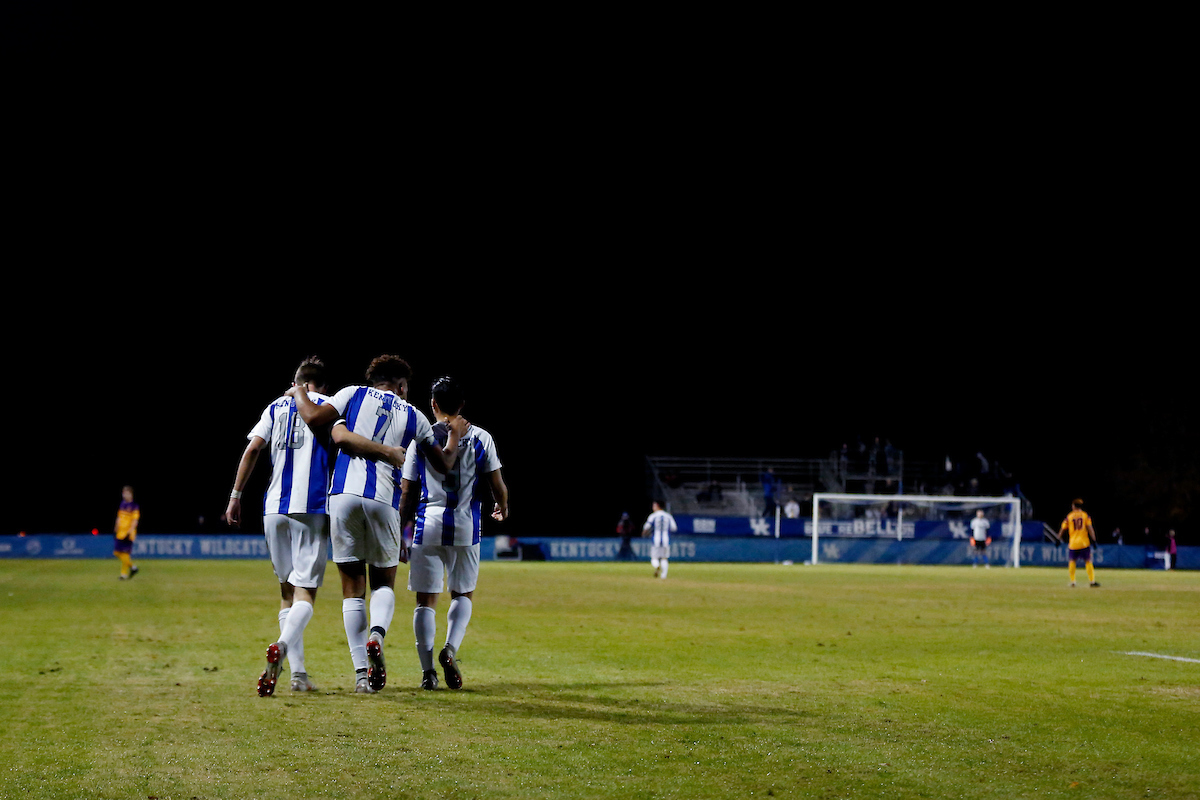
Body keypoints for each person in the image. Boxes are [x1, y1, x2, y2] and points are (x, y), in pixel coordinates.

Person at [226, 356, 408, 697]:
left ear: (297, 381)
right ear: (323, 386)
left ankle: (299, 674)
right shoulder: (329, 406)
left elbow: (252, 449)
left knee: (286, 593)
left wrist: (236, 496)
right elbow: (344, 437)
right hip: (313, 507)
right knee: (305, 594)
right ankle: (281, 647)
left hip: (273, 508)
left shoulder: (275, 406)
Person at [289, 354, 463, 694]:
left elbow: (312, 417)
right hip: (384, 500)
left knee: (352, 588)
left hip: (342, 495)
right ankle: (377, 635)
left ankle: (361, 678)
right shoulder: (414, 415)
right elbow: (443, 465)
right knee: (383, 584)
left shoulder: (352, 393)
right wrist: (454, 435)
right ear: (400, 386)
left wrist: (298, 389)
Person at [399, 376, 507, 691]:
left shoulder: (420, 439)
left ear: (433, 404)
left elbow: (407, 492)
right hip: (466, 528)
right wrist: (502, 507)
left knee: (425, 602)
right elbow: (497, 485)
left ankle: (427, 673)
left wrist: (400, 531)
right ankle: (450, 649)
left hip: (426, 526)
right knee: (462, 594)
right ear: (461, 405)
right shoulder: (481, 438)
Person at [1058, 499, 1099, 587]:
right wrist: (1094, 540)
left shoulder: (1070, 516)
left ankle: (1073, 582)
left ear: (1074, 506)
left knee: (1072, 561)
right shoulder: (1085, 515)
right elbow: (1090, 528)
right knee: (1088, 561)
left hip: (1073, 543)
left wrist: (1058, 539)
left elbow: (1063, 528)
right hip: (1084, 542)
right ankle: (1092, 581)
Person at [642, 500, 677, 579]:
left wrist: (644, 533)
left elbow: (646, 527)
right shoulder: (668, 516)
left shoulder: (653, 516)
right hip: (666, 540)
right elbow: (674, 528)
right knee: (664, 558)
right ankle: (663, 576)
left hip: (656, 540)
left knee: (654, 558)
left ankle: (657, 566)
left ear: (657, 506)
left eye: (654, 505)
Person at [113, 485, 140, 580]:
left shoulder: (134, 506)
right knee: (117, 552)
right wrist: (116, 527)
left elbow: (135, 520)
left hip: (128, 533)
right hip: (120, 532)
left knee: (125, 553)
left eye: (127, 493)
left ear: (131, 494)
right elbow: (119, 517)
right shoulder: (122, 504)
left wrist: (130, 531)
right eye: (123, 493)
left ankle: (123, 574)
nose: (125, 495)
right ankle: (133, 567)